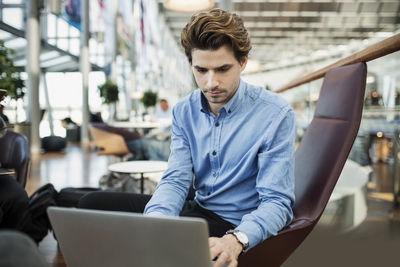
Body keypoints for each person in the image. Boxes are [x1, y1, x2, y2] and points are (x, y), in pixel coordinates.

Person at [79, 8, 295, 267]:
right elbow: (176, 178)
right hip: (196, 211)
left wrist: (236, 239)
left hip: (234, 223)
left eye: (222, 69)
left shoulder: (275, 114)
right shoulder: (184, 110)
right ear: (191, 64)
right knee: (91, 203)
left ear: (243, 62)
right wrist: (158, 219)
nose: (210, 83)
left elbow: (277, 202)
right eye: (201, 70)